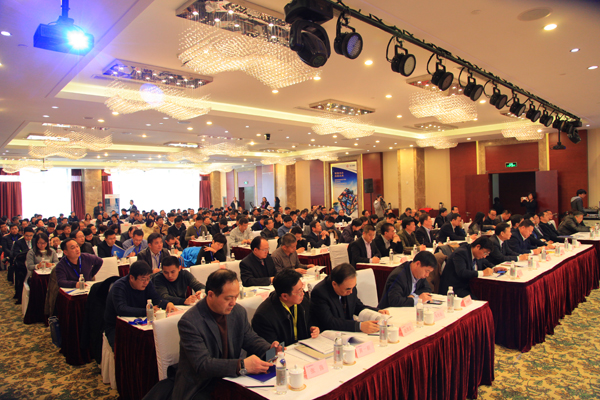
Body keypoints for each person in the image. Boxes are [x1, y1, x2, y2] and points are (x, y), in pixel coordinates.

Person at [172, 269, 279, 400]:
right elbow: (202, 364)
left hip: (230, 379)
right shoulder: (190, 322)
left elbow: (249, 337)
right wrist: (242, 365)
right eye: (228, 298)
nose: (233, 302)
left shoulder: (238, 311)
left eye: (236, 297)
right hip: (201, 385)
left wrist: (269, 349)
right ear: (210, 295)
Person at [104, 261, 176, 350]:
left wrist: (168, 303)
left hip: (139, 324)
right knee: (125, 350)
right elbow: (121, 309)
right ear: (131, 278)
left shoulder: (147, 283)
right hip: (117, 327)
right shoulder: (119, 286)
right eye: (143, 279)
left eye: (148, 278)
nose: (146, 282)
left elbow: (156, 299)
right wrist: (147, 311)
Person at [310, 263, 389, 333]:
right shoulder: (320, 293)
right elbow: (330, 322)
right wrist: (359, 326)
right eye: (348, 289)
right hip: (330, 334)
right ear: (334, 284)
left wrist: (377, 311)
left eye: (353, 287)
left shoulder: (350, 286)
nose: (351, 291)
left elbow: (356, 306)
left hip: (347, 331)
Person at [252, 269, 319, 345]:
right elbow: (271, 348)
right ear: (284, 296)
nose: (302, 293)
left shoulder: (302, 301)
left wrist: (312, 328)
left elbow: (310, 320)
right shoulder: (264, 316)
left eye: (302, 288)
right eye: (299, 291)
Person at [439, 237, 506, 298]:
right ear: (478, 247)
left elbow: (485, 262)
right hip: (455, 288)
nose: (485, 256)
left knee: (489, 294)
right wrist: (482, 273)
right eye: (485, 253)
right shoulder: (461, 253)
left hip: (469, 285)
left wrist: (494, 268)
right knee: (478, 300)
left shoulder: (476, 254)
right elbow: (462, 272)